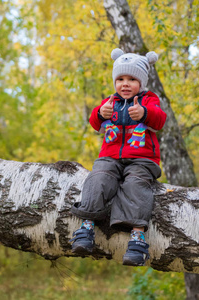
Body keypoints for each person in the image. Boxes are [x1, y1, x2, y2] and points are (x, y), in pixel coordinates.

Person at [69, 48, 167, 266]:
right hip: (110, 157)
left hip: (142, 159)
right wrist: (99, 113)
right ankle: (87, 226)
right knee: (98, 177)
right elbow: (95, 123)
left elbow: (160, 120)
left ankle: (137, 237)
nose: (125, 83)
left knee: (135, 184)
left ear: (141, 83)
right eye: (120, 79)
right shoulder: (110, 101)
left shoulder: (149, 100)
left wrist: (145, 114)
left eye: (132, 79)